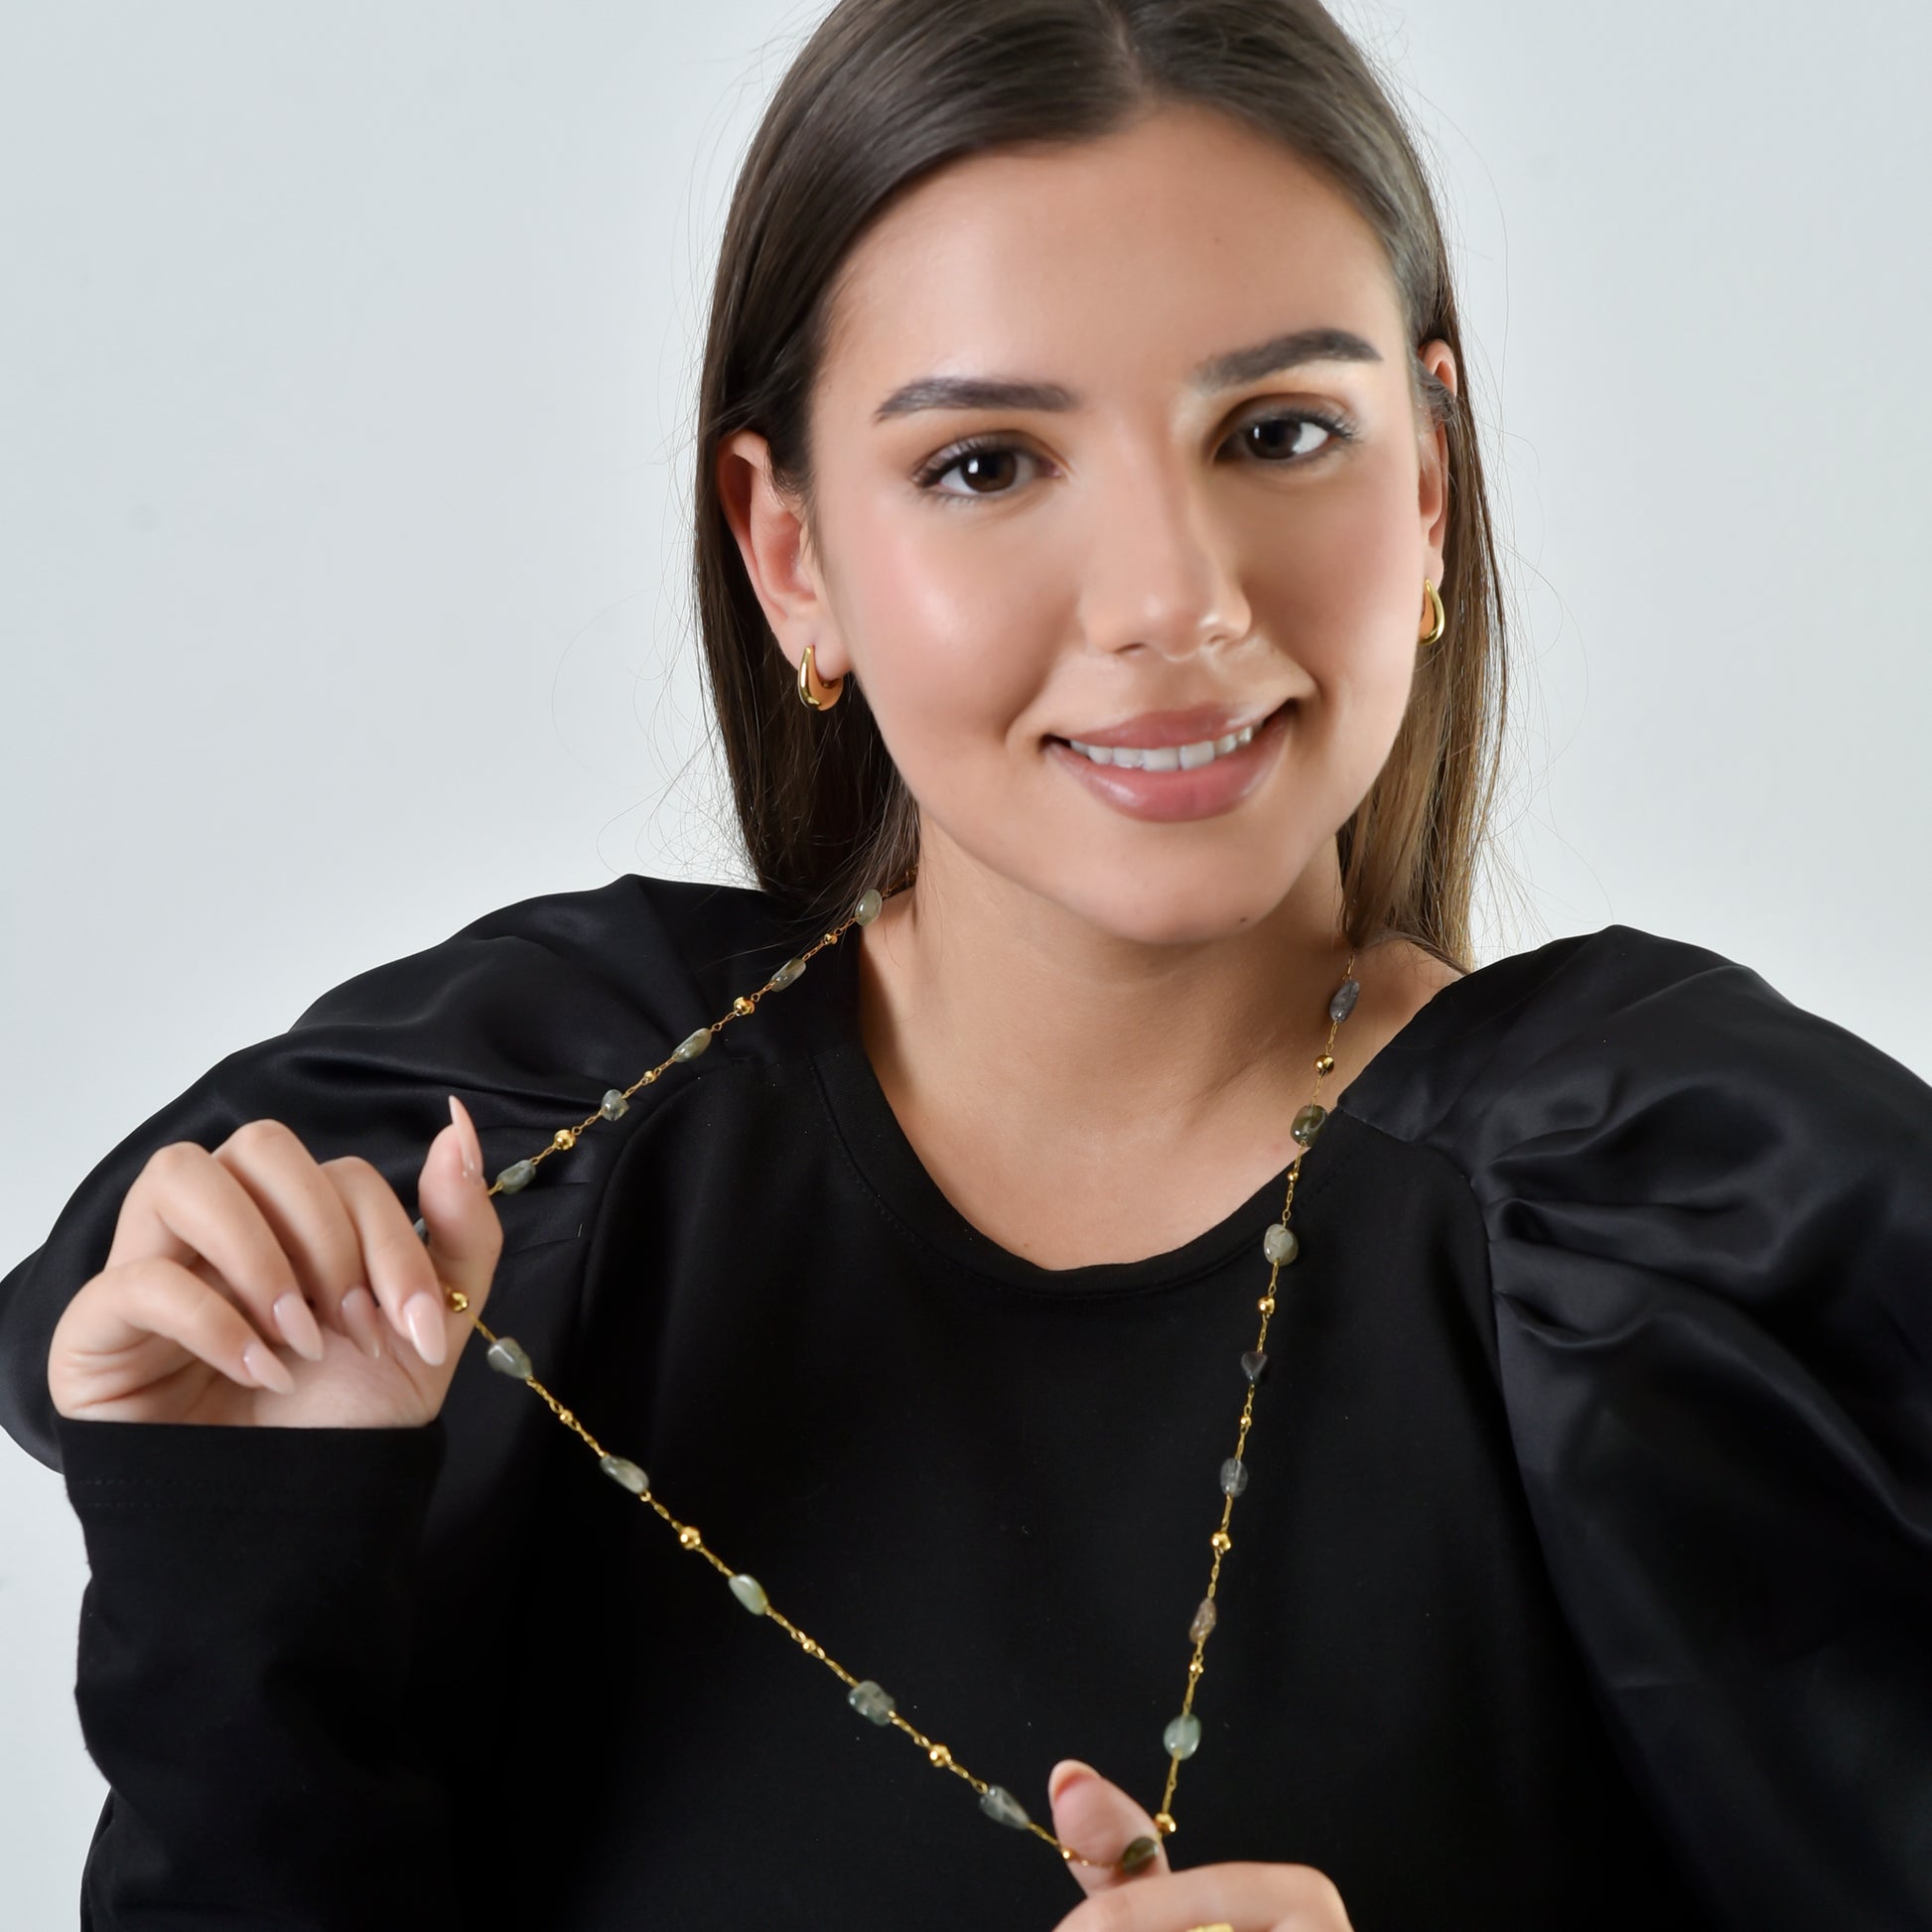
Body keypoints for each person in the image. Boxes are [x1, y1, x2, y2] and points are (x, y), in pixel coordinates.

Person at [4, 0, 1929, 1926]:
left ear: (1425, 481)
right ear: (789, 552)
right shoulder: (525, 1159)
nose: (1172, 593)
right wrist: (250, 1547)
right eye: (989, 464)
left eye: (1278, 430)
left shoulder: (1727, 1232)